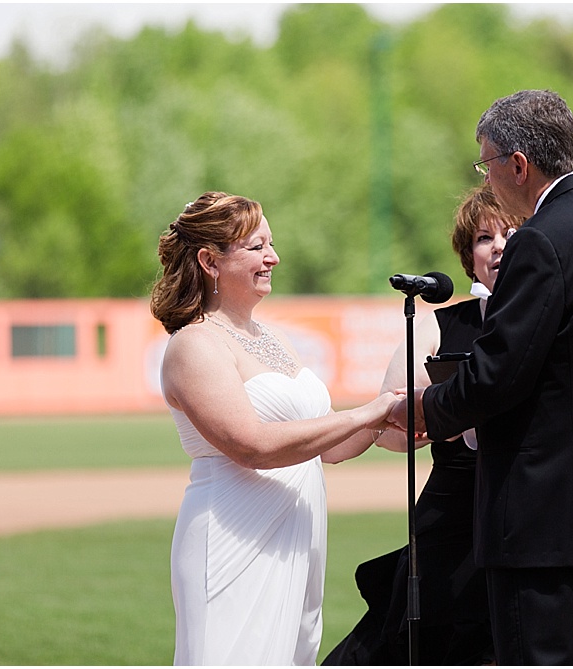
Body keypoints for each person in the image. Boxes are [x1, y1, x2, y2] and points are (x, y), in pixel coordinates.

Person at [389, 90, 573, 665]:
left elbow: (498, 375)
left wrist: (425, 407)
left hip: (546, 524)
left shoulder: (541, 241)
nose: (487, 179)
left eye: (487, 164)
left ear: (518, 164)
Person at [150, 191, 402, 666]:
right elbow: (253, 447)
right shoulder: (193, 346)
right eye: (256, 247)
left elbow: (327, 447)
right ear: (210, 260)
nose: (274, 257)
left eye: (271, 243)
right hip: (232, 535)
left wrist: (394, 414)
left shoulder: (275, 338)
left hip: (296, 540)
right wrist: (367, 412)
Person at [323, 184, 524, 665]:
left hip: (527, 510)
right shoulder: (434, 326)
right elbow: (390, 431)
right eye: (482, 237)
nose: (497, 245)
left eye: (510, 232)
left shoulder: (560, 316)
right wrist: (438, 423)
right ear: (468, 258)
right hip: (452, 518)